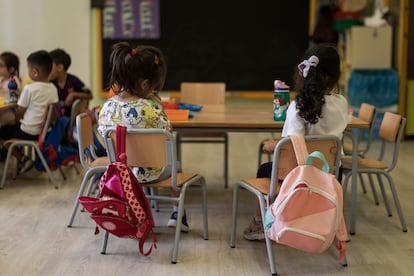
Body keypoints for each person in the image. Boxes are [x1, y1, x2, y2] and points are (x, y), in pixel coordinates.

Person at [243, 44, 349, 241]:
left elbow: (291, 146)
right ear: (336, 75)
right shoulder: (342, 103)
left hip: (300, 178)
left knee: (264, 170)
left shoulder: (297, 107)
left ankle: (259, 224)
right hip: (332, 175)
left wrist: (274, 144)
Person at [97, 42, 190, 232]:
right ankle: (177, 213)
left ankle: (134, 210)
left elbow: (104, 136)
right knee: (176, 166)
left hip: (120, 173)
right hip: (150, 172)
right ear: (144, 84)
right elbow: (167, 133)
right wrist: (157, 104)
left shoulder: (106, 107)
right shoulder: (150, 108)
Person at [0, 50, 58, 173]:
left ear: (35, 72)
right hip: (43, 131)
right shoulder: (53, 88)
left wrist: (13, 121)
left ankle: (23, 159)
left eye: (29, 69)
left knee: (2, 132)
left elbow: (19, 113)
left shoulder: (29, 88)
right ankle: (23, 159)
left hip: (28, 131)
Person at [49, 48, 92, 117]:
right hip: (57, 119)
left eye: (49, 66)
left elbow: (89, 95)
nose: (47, 70)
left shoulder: (73, 80)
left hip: (73, 118)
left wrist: (73, 94)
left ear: (60, 67)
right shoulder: (50, 83)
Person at [0, 51, 22, 128]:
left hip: (10, 113)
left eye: (1, 66)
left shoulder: (13, 81)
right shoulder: (2, 79)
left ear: (11, 69)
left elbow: (14, 100)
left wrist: (4, 92)